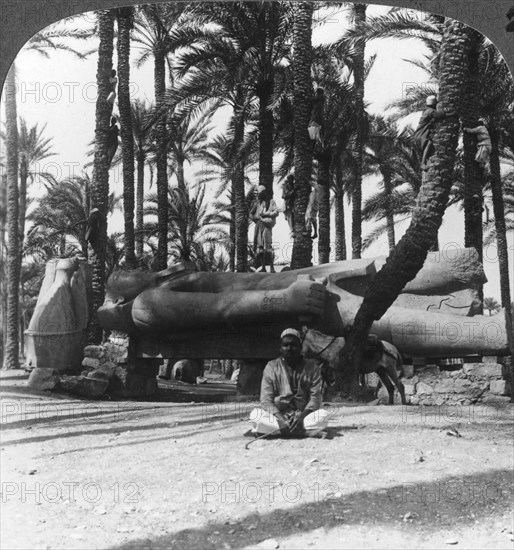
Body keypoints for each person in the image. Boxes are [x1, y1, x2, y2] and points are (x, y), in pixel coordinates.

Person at [249, 328, 330, 438]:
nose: (289, 349)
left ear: (300, 347)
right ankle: (304, 433)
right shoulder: (271, 367)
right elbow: (266, 400)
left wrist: (300, 419)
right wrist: (283, 421)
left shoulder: (312, 367)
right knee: (255, 415)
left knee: (323, 415)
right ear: (280, 348)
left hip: (303, 416)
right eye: (285, 345)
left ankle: (280, 431)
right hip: (278, 416)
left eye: (294, 345)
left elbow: (315, 398)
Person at [414, 95, 457, 170]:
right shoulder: (431, 111)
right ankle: (423, 163)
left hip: (419, 133)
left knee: (425, 146)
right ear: (434, 104)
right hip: (422, 133)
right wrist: (453, 113)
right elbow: (442, 115)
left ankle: (424, 161)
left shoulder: (426, 111)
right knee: (429, 143)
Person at [249, 185, 278, 272]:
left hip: (267, 225)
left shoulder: (271, 202)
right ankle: (264, 267)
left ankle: (272, 267)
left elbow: (276, 212)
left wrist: (266, 214)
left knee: (268, 247)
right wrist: (254, 219)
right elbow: (251, 213)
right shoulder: (257, 203)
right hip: (259, 226)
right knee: (260, 248)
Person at [282, 174, 296, 239]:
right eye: (289, 179)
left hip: (293, 203)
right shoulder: (286, 186)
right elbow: (286, 195)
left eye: (291, 179)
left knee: (293, 217)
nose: (290, 180)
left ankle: (293, 230)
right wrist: (294, 190)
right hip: (288, 203)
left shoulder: (294, 185)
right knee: (290, 217)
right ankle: (292, 230)